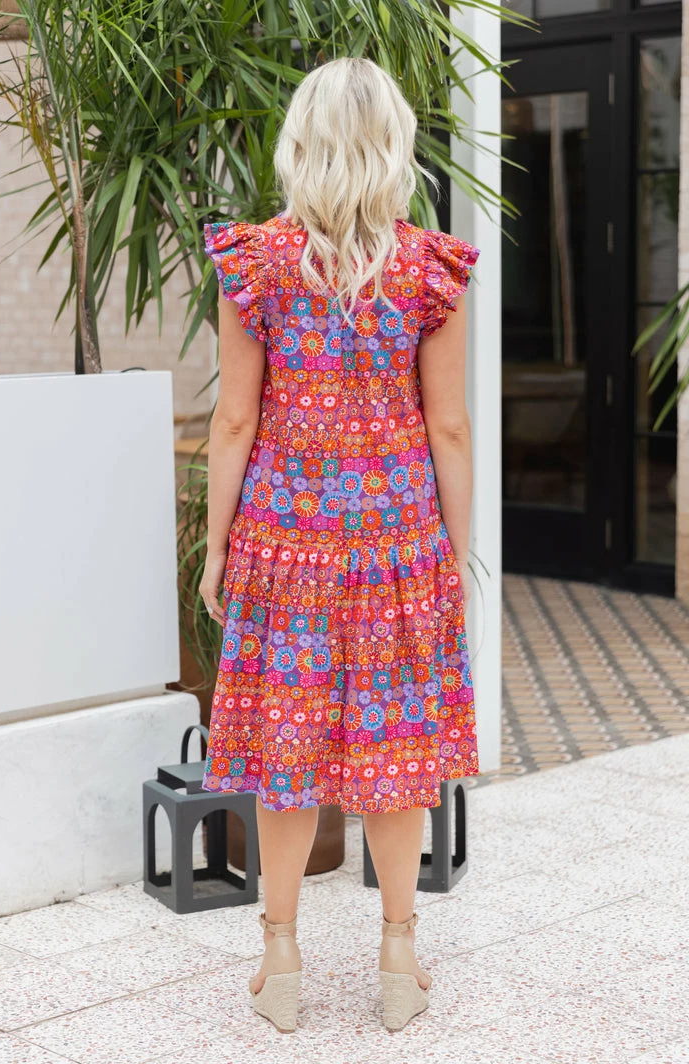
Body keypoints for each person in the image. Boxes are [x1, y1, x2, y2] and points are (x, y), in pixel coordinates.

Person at [198, 55, 480, 1035]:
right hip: (397, 545)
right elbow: (449, 427)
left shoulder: (257, 262)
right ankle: (398, 955)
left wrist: (215, 549)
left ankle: (280, 957)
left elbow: (234, 421)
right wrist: (453, 553)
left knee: (288, 749)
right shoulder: (427, 267)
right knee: (396, 751)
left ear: (301, 145)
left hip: (286, 544)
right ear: (392, 146)